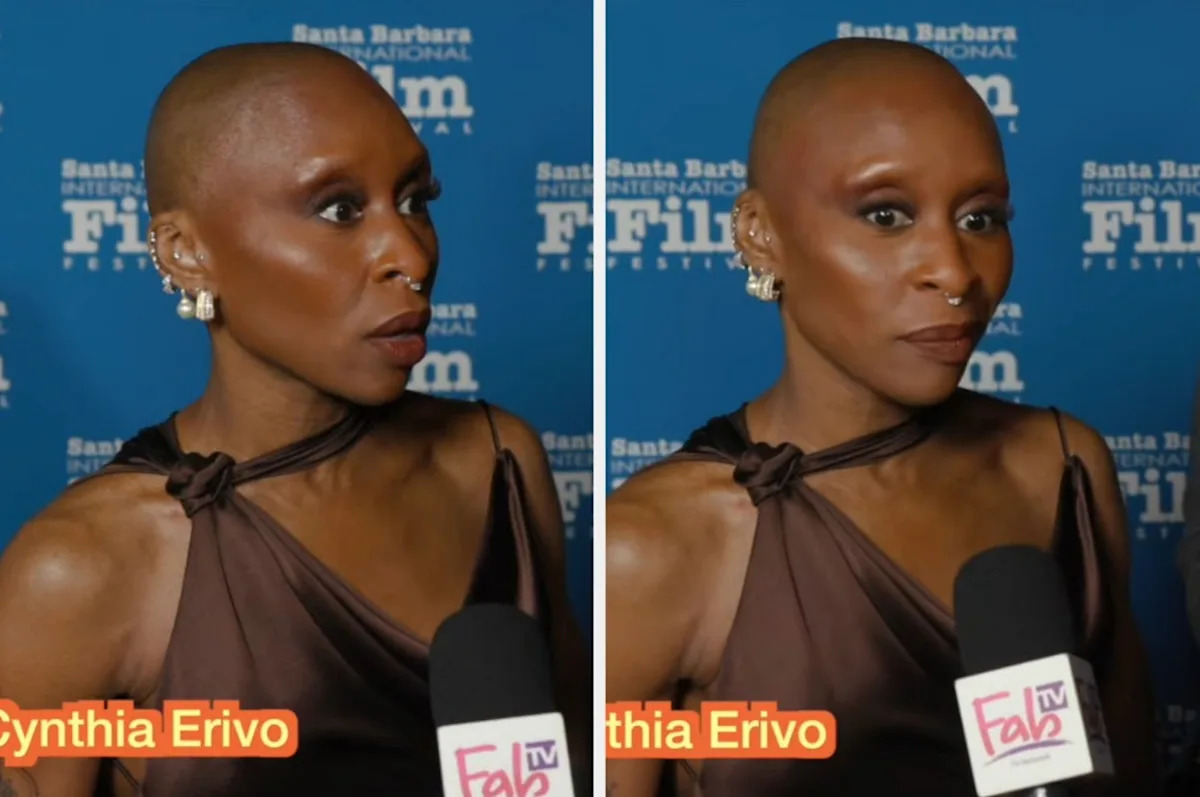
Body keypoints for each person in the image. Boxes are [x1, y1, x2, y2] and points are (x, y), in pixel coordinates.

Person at [0, 43, 590, 796]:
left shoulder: (497, 460)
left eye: (415, 200)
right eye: (339, 210)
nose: (411, 257)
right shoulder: (81, 571)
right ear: (187, 253)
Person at [606, 38, 1160, 796]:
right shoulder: (650, 550)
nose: (955, 272)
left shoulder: (1062, 469)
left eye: (980, 219)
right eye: (887, 215)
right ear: (760, 234)